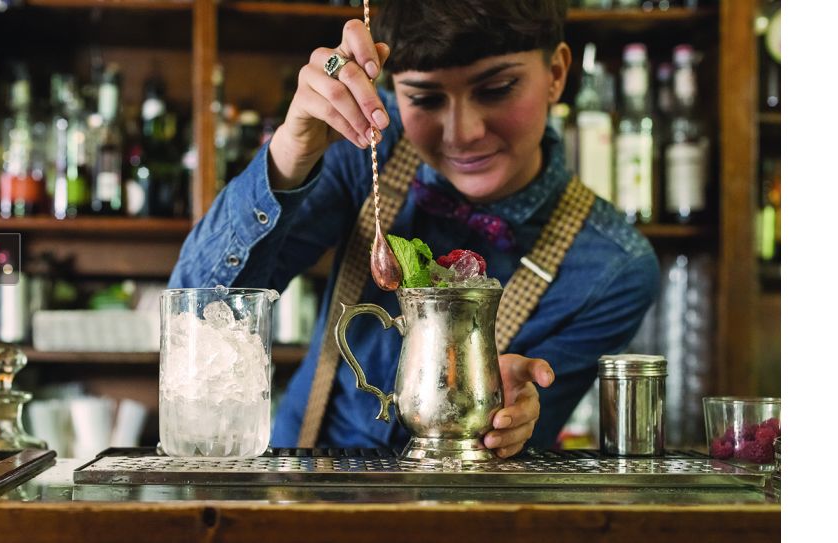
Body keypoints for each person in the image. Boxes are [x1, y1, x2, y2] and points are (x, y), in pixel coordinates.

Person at [169, 0, 659, 457]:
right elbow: (195, 317)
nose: (463, 132)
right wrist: (290, 154)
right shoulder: (366, 151)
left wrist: (514, 414)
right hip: (303, 491)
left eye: (495, 89)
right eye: (425, 98)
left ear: (555, 74)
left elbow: (520, 445)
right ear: (392, 92)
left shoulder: (615, 268)